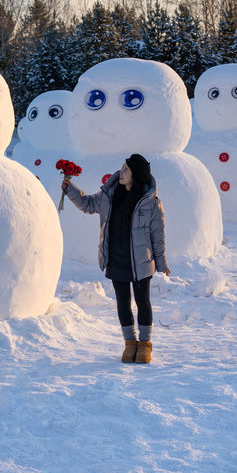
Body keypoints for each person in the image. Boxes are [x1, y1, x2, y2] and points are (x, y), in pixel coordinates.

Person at [61, 153, 170, 364]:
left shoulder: (152, 203)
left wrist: (162, 263)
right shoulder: (109, 195)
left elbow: (158, 236)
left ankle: (145, 345)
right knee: (122, 302)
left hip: (141, 262)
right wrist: (69, 188)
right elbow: (87, 204)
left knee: (142, 302)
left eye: (126, 170)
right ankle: (130, 343)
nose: (121, 172)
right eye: (122, 167)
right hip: (116, 258)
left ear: (136, 176)